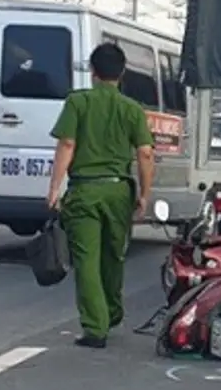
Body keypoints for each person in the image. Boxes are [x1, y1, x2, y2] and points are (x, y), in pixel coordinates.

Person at [46, 42, 155, 349]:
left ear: (92, 71)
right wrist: (144, 195)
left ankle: (96, 328)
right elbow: (145, 154)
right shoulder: (132, 109)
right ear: (122, 74)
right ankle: (112, 310)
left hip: (84, 190)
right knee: (114, 254)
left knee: (87, 259)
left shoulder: (77, 103)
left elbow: (67, 145)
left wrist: (55, 188)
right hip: (118, 190)